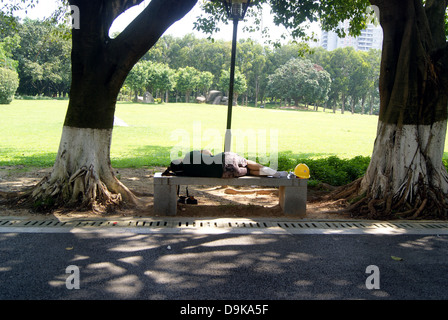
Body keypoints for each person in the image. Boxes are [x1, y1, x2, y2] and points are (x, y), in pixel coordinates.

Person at [163, 150, 287, 178]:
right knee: (247, 163)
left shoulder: (187, 173)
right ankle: (275, 173)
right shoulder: (189, 155)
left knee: (249, 171)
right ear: (179, 161)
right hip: (225, 159)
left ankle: (274, 174)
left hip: (226, 173)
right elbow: (207, 152)